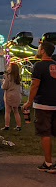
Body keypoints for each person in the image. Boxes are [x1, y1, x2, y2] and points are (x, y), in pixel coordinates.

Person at [22, 41, 56, 172]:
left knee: (45, 133)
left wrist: (28, 102)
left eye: (39, 48)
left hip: (43, 104)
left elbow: (34, 85)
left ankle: (48, 164)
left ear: (43, 51)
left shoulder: (39, 65)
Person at [0, 63, 22, 131]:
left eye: (9, 66)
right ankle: (18, 126)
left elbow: (5, 86)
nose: (8, 67)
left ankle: (6, 126)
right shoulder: (18, 77)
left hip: (9, 96)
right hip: (17, 95)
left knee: (7, 111)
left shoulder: (8, 77)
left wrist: (3, 82)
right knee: (16, 111)